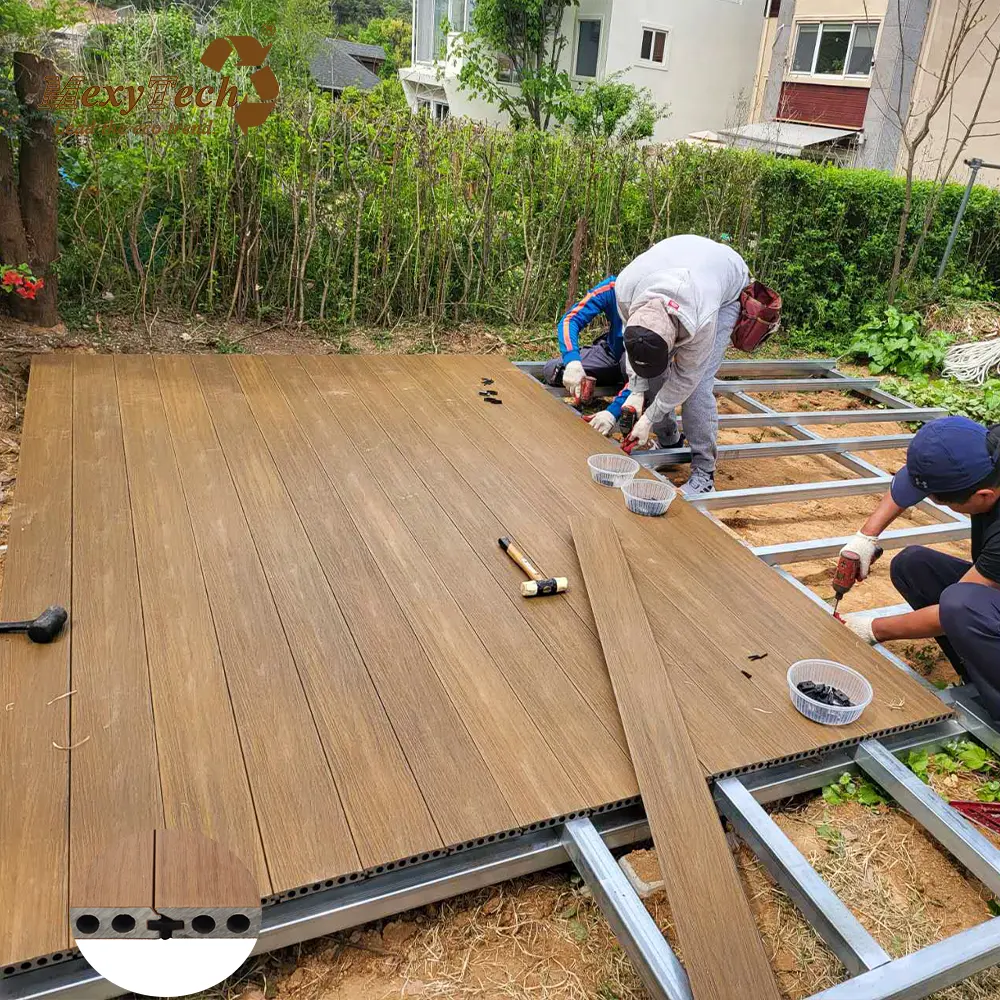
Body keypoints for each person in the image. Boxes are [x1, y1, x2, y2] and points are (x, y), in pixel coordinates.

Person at [545, 235, 749, 497]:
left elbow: (686, 377)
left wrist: (650, 417)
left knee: (697, 389)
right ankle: (670, 442)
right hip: (676, 270)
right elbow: (636, 354)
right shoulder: (626, 291)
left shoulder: (702, 319)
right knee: (654, 378)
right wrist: (637, 393)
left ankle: (704, 472)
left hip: (723, 292)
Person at [840, 417, 1000, 719]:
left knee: (959, 604)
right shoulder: (988, 449)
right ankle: (978, 674)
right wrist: (865, 537)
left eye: (947, 502)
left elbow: (954, 609)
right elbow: (919, 474)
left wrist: (873, 629)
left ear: (984, 496)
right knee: (912, 565)